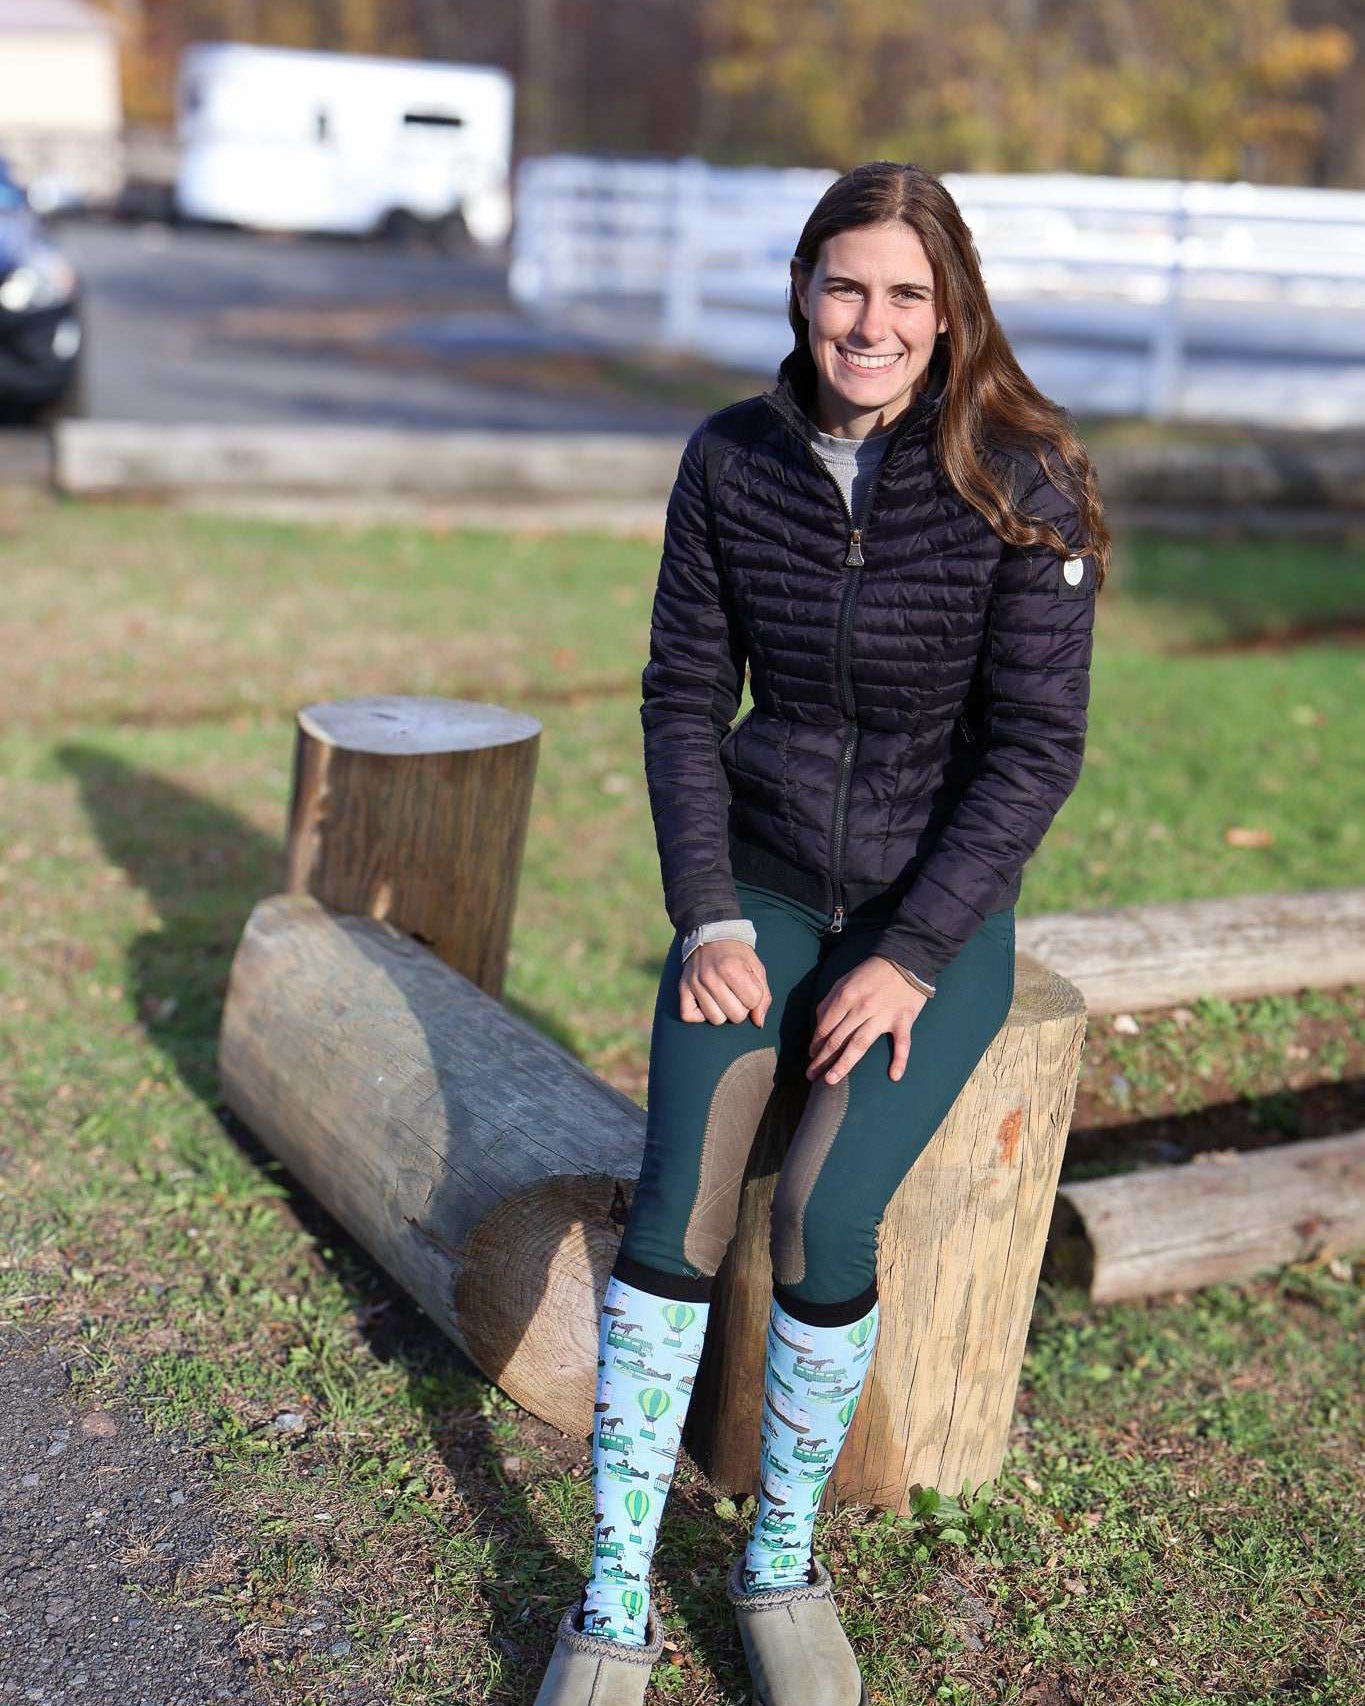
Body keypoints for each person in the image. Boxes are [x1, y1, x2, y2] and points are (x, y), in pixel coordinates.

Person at [532, 159, 1110, 1706]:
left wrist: (912, 953)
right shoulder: (730, 458)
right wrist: (708, 914)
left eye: (905, 294)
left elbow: (1032, 750)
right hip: (764, 887)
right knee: (676, 1215)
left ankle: (777, 1559)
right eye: (844, 285)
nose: (871, 321)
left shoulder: (1023, 478)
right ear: (800, 290)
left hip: (930, 911)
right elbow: (681, 696)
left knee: (818, 1221)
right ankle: (611, 1593)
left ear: (950, 310)